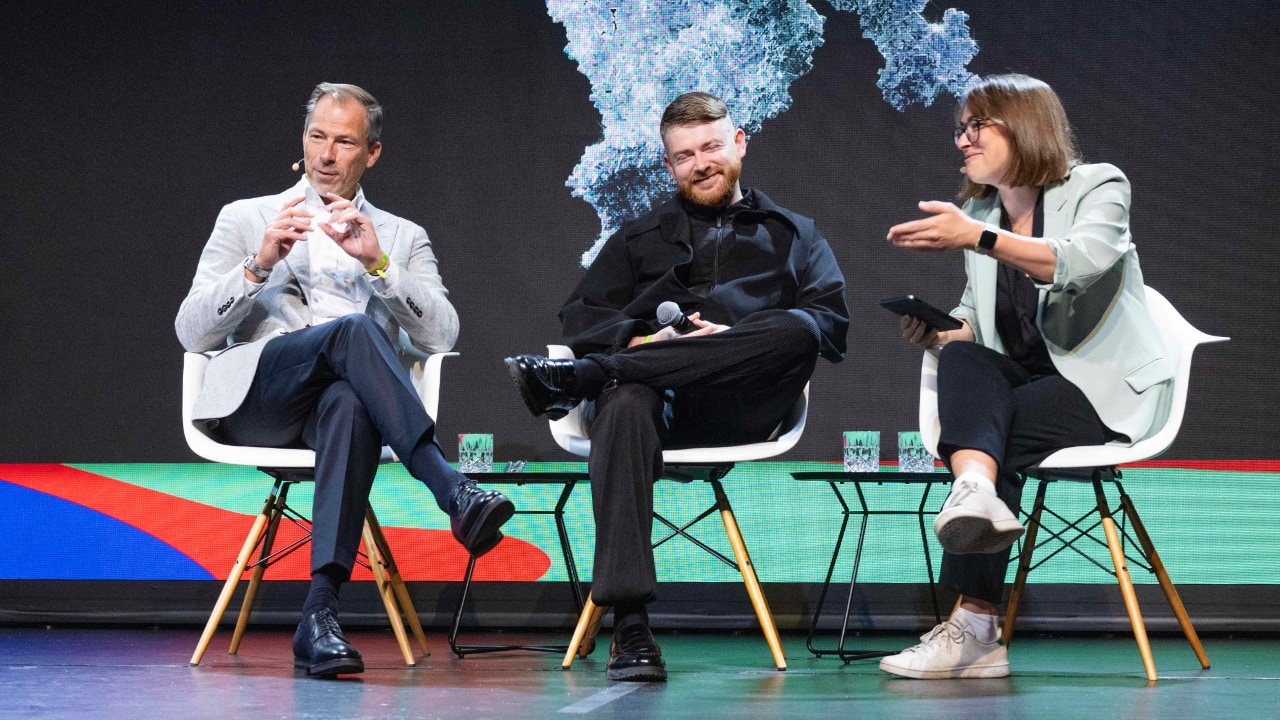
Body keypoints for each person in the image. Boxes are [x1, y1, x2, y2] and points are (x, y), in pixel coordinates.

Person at [504, 92, 849, 682]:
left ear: (738, 144)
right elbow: (580, 319)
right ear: (669, 166)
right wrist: (646, 343)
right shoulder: (638, 238)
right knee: (624, 402)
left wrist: (733, 339)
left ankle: (592, 376)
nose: (701, 163)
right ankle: (631, 626)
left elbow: (831, 328)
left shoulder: (796, 234)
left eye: (711, 147)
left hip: (743, 405)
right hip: (655, 408)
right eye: (685, 156)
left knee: (797, 329)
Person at [175, 83, 514, 677]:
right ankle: (450, 488)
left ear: (372, 153)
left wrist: (380, 264)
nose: (326, 155)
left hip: (336, 414)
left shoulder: (403, 236)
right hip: (261, 399)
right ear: (304, 140)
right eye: (317, 137)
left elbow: (443, 334)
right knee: (353, 332)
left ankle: (319, 615)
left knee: (350, 405)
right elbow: (190, 331)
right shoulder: (248, 217)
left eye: (345, 142)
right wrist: (258, 265)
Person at [880, 73, 1171, 679]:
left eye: (977, 125)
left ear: (1025, 125)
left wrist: (980, 238)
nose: (962, 139)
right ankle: (975, 492)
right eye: (960, 128)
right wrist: (940, 332)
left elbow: (1080, 260)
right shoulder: (979, 210)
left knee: (997, 440)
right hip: (1027, 384)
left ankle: (975, 629)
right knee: (962, 360)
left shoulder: (1098, 185)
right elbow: (975, 321)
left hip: (1103, 387)